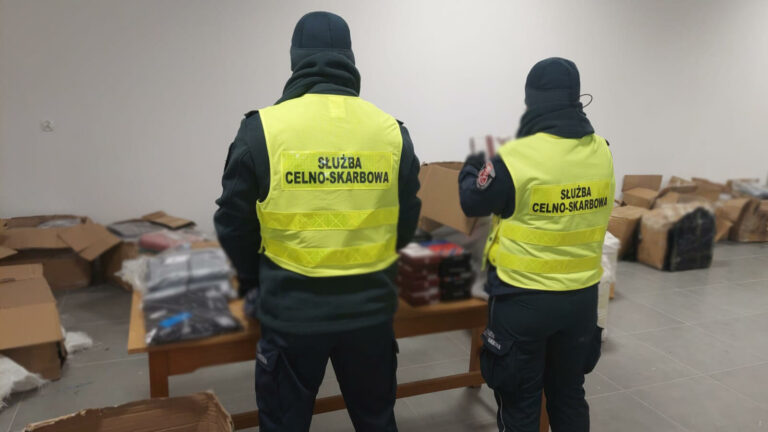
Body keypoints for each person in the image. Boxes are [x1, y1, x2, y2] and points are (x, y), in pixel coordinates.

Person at [214, 11, 421, 432]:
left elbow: (233, 224)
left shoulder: (262, 131)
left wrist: (255, 281)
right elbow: (406, 220)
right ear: (350, 58)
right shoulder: (391, 132)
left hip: (292, 312)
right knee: (377, 421)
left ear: (296, 59)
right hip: (369, 312)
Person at [458, 57, 615, 432]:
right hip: (581, 300)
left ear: (531, 101)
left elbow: (472, 200)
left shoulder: (514, 159)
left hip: (524, 302)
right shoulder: (603, 151)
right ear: (576, 99)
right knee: (569, 395)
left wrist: (473, 166)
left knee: (520, 402)